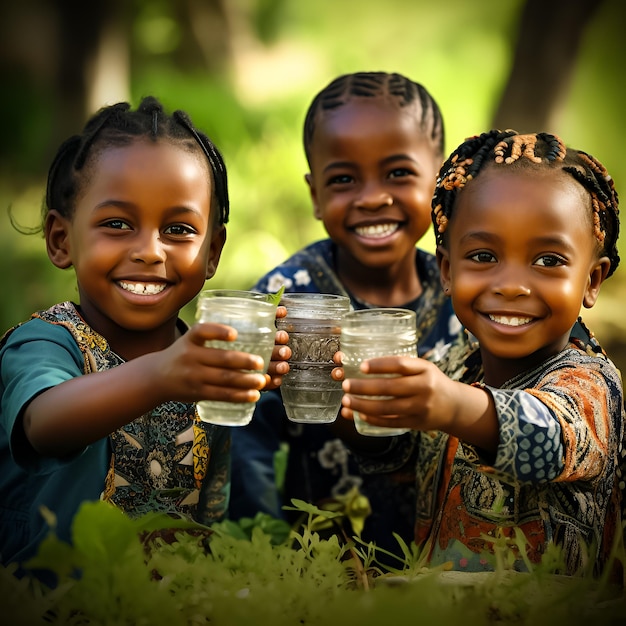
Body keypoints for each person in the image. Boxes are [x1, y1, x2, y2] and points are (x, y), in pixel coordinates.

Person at [0, 96, 290, 579]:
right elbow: (43, 424)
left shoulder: (209, 358)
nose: (150, 251)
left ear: (212, 251)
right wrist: (164, 374)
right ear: (61, 240)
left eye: (178, 229)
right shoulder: (45, 344)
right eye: (117, 224)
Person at [339, 129, 624, 577]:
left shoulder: (590, 386)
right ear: (447, 270)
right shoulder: (455, 363)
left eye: (548, 260)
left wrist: (448, 404)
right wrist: (351, 406)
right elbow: (404, 459)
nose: (511, 284)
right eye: (484, 256)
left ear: (592, 280)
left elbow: (549, 438)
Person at [229, 71, 465, 559]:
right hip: (318, 568)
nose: (373, 197)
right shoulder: (287, 297)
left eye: (398, 173)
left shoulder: (467, 296)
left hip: (454, 569)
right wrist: (260, 552)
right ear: (315, 194)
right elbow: (242, 429)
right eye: (343, 180)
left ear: (439, 180)